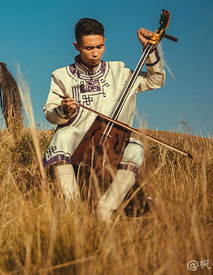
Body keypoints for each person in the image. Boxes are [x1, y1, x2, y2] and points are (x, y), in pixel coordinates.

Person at [42, 17, 165, 221]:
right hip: (78, 143)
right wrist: (64, 110)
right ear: (77, 46)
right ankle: (71, 207)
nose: (95, 53)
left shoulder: (120, 71)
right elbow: (50, 114)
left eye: (100, 46)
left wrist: (150, 50)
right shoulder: (61, 76)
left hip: (113, 143)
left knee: (136, 148)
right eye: (89, 48)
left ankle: (106, 209)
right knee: (62, 135)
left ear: (105, 42)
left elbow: (155, 80)